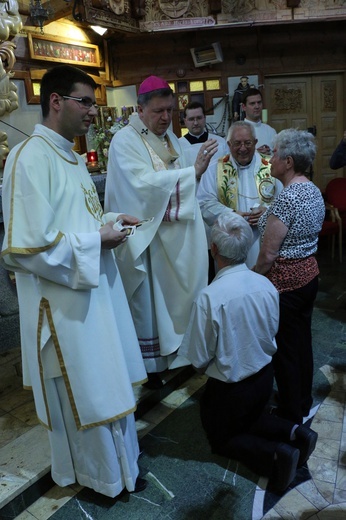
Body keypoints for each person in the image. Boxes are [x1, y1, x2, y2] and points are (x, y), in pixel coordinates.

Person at [0, 65, 148, 498]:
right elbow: (27, 249)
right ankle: (99, 476)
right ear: (56, 101)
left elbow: (74, 221)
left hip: (92, 295)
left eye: (93, 103)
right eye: (85, 102)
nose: (92, 112)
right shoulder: (30, 158)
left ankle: (122, 468)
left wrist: (109, 220)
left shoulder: (68, 153)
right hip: (64, 307)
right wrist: (96, 239)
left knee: (107, 381)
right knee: (87, 389)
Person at [177, 212, 318, 493]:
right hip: (265, 378)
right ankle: (295, 432)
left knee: (223, 437)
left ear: (214, 249)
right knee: (253, 418)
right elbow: (273, 328)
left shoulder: (210, 297)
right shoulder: (266, 285)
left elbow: (199, 358)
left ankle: (277, 455)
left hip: (232, 387)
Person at [104, 75, 218, 388]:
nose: (166, 118)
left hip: (171, 232)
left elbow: (176, 176)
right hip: (147, 239)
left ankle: (177, 355)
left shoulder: (170, 138)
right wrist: (191, 173)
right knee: (151, 306)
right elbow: (140, 187)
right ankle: (152, 367)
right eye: (158, 112)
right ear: (140, 110)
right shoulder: (124, 141)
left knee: (174, 303)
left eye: (170, 111)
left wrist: (191, 172)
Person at [254, 129, 325, 424]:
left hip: (286, 285)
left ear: (289, 162)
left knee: (285, 350)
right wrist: (264, 214)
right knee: (302, 343)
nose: (271, 159)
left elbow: (269, 254)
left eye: (276, 155)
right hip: (308, 276)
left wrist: (252, 278)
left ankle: (290, 410)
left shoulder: (289, 199)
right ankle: (303, 398)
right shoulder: (312, 189)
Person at [197, 121, 282, 269]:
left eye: (248, 143)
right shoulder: (215, 169)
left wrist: (268, 212)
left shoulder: (271, 166)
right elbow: (204, 203)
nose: (243, 148)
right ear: (229, 144)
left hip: (263, 240)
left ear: (255, 142)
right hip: (230, 241)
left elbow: (284, 201)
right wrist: (231, 215)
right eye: (237, 144)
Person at [178, 101, 228, 167]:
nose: (195, 123)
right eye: (191, 119)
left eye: (199, 118)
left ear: (204, 118)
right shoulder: (178, 146)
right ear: (185, 121)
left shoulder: (219, 142)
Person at [241, 87, 277, 155]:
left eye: (259, 102)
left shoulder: (271, 131)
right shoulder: (237, 131)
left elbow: (278, 156)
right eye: (252, 103)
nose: (257, 106)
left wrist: (269, 152)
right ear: (243, 107)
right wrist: (256, 154)